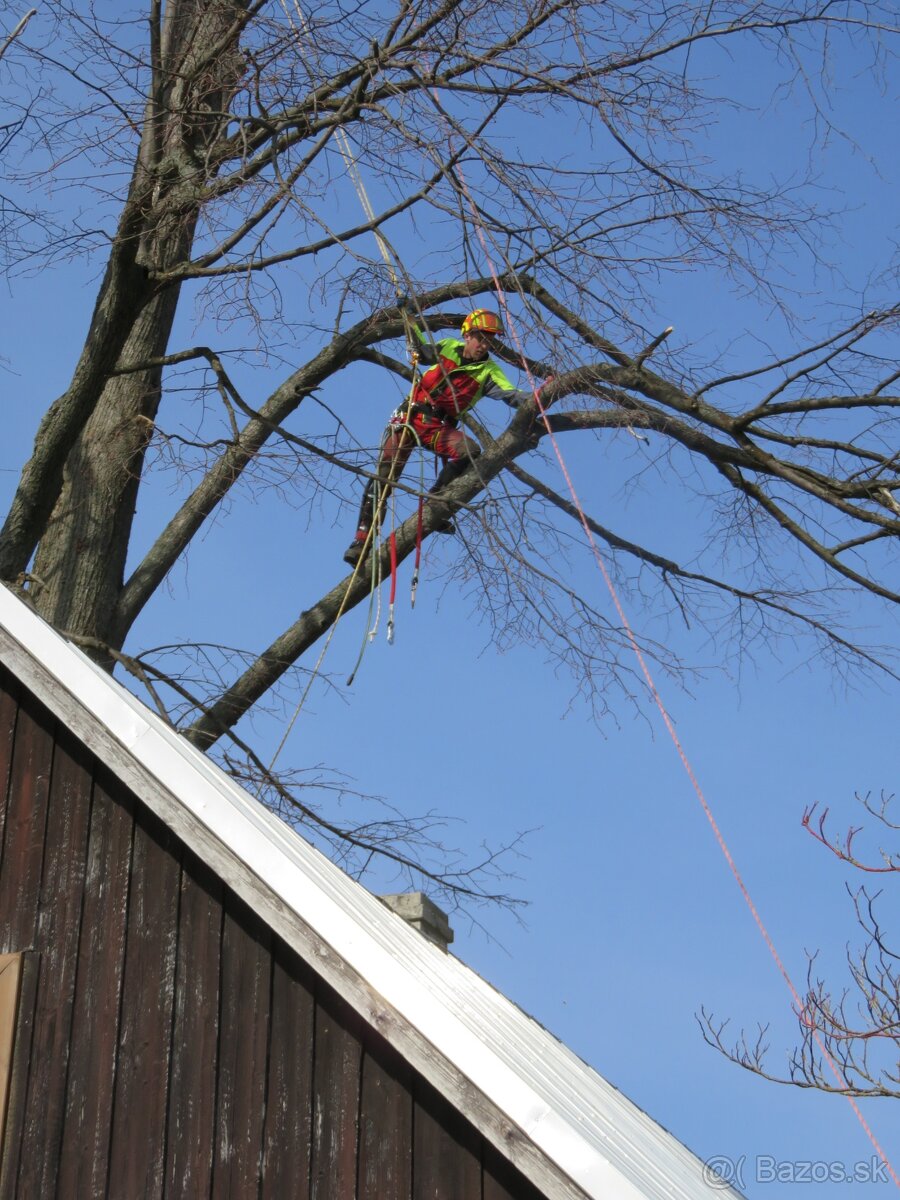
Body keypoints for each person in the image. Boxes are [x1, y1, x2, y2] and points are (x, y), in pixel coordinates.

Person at [343, 307, 544, 566]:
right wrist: (410, 321)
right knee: (384, 476)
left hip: (438, 426)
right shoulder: (448, 347)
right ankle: (362, 541)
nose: (484, 344)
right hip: (409, 417)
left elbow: (513, 395)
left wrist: (541, 396)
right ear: (467, 335)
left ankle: (434, 504)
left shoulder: (489, 372)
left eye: (489, 340)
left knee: (469, 450)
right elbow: (423, 351)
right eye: (480, 337)